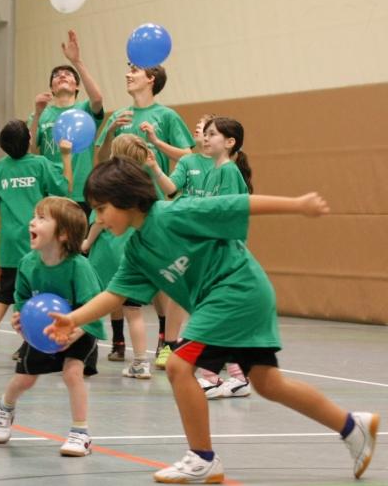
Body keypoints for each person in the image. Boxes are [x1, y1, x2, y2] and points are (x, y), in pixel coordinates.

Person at [46, 157, 379, 483]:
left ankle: (202, 458)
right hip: (232, 299)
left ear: (127, 199)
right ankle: (352, 426)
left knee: (178, 365)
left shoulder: (175, 213)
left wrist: (298, 204)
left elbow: (240, 204)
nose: (98, 218)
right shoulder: (136, 250)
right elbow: (114, 295)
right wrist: (72, 320)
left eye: (102, 208)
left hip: (236, 289)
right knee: (268, 383)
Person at [95, 63, 195, 369]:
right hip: (121, 206)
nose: (128, 74)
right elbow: (101, 159)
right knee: (120, 271)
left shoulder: (166, 116)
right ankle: (119, 340)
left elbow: (188, 156)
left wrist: (158, 147)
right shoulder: (118, 115)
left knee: (161, 276)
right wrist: (110, 133)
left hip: (151, 206)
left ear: (151, 79)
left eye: (135, 70)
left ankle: (167, 340)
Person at [0, 196, 105, 458]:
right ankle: (5, 407)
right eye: (34, 216)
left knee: (73, 373)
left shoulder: (79, 267)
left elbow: (94, 307)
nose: (32, 222)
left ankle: (80, 432)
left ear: (63, 234)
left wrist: (75, 332)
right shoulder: (27, 263)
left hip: (79, 329)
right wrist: (20, 319)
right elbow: (21, 297)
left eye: (42, 218)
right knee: (25, 379)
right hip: (43, 332)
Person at [0, 119, 66, 364]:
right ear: (28, 141)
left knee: (5, 291)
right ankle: (28, 343)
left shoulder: (0, 167)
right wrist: (67, 158)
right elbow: (63, 190)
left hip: (8, 241)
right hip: (36, 240)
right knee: (34, 293)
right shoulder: (40, 163)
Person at [82, 134, 167, 377]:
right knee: (133, 310)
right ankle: (141, 360)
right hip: (137, 252)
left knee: (105, 300)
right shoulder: (147, 184)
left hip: (110, 252)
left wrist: (87, 242)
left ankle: (106, 348)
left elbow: (98, 222)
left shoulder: (110, 185)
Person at [192, 116, 253, 399]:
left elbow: (224, 216)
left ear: (230, 142)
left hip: (226, 257)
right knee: (212, 316)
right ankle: (225, 377)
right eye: (205, 133)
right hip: (211, 255)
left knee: (215, 316)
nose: (206, 138)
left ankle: (226, 377)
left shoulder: (228, 172)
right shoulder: (212, 171)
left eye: (213, 134)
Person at [30, 30, 105, 216]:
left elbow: (97, 99)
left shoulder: (85, 109)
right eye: (56, 75)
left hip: (82, 193)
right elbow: (31, 149)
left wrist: (76, 62)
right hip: (51, 191)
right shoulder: (40, 114)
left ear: (77, 86)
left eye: (68, 74)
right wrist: (38, 113)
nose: (62, 76)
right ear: (51, 88)